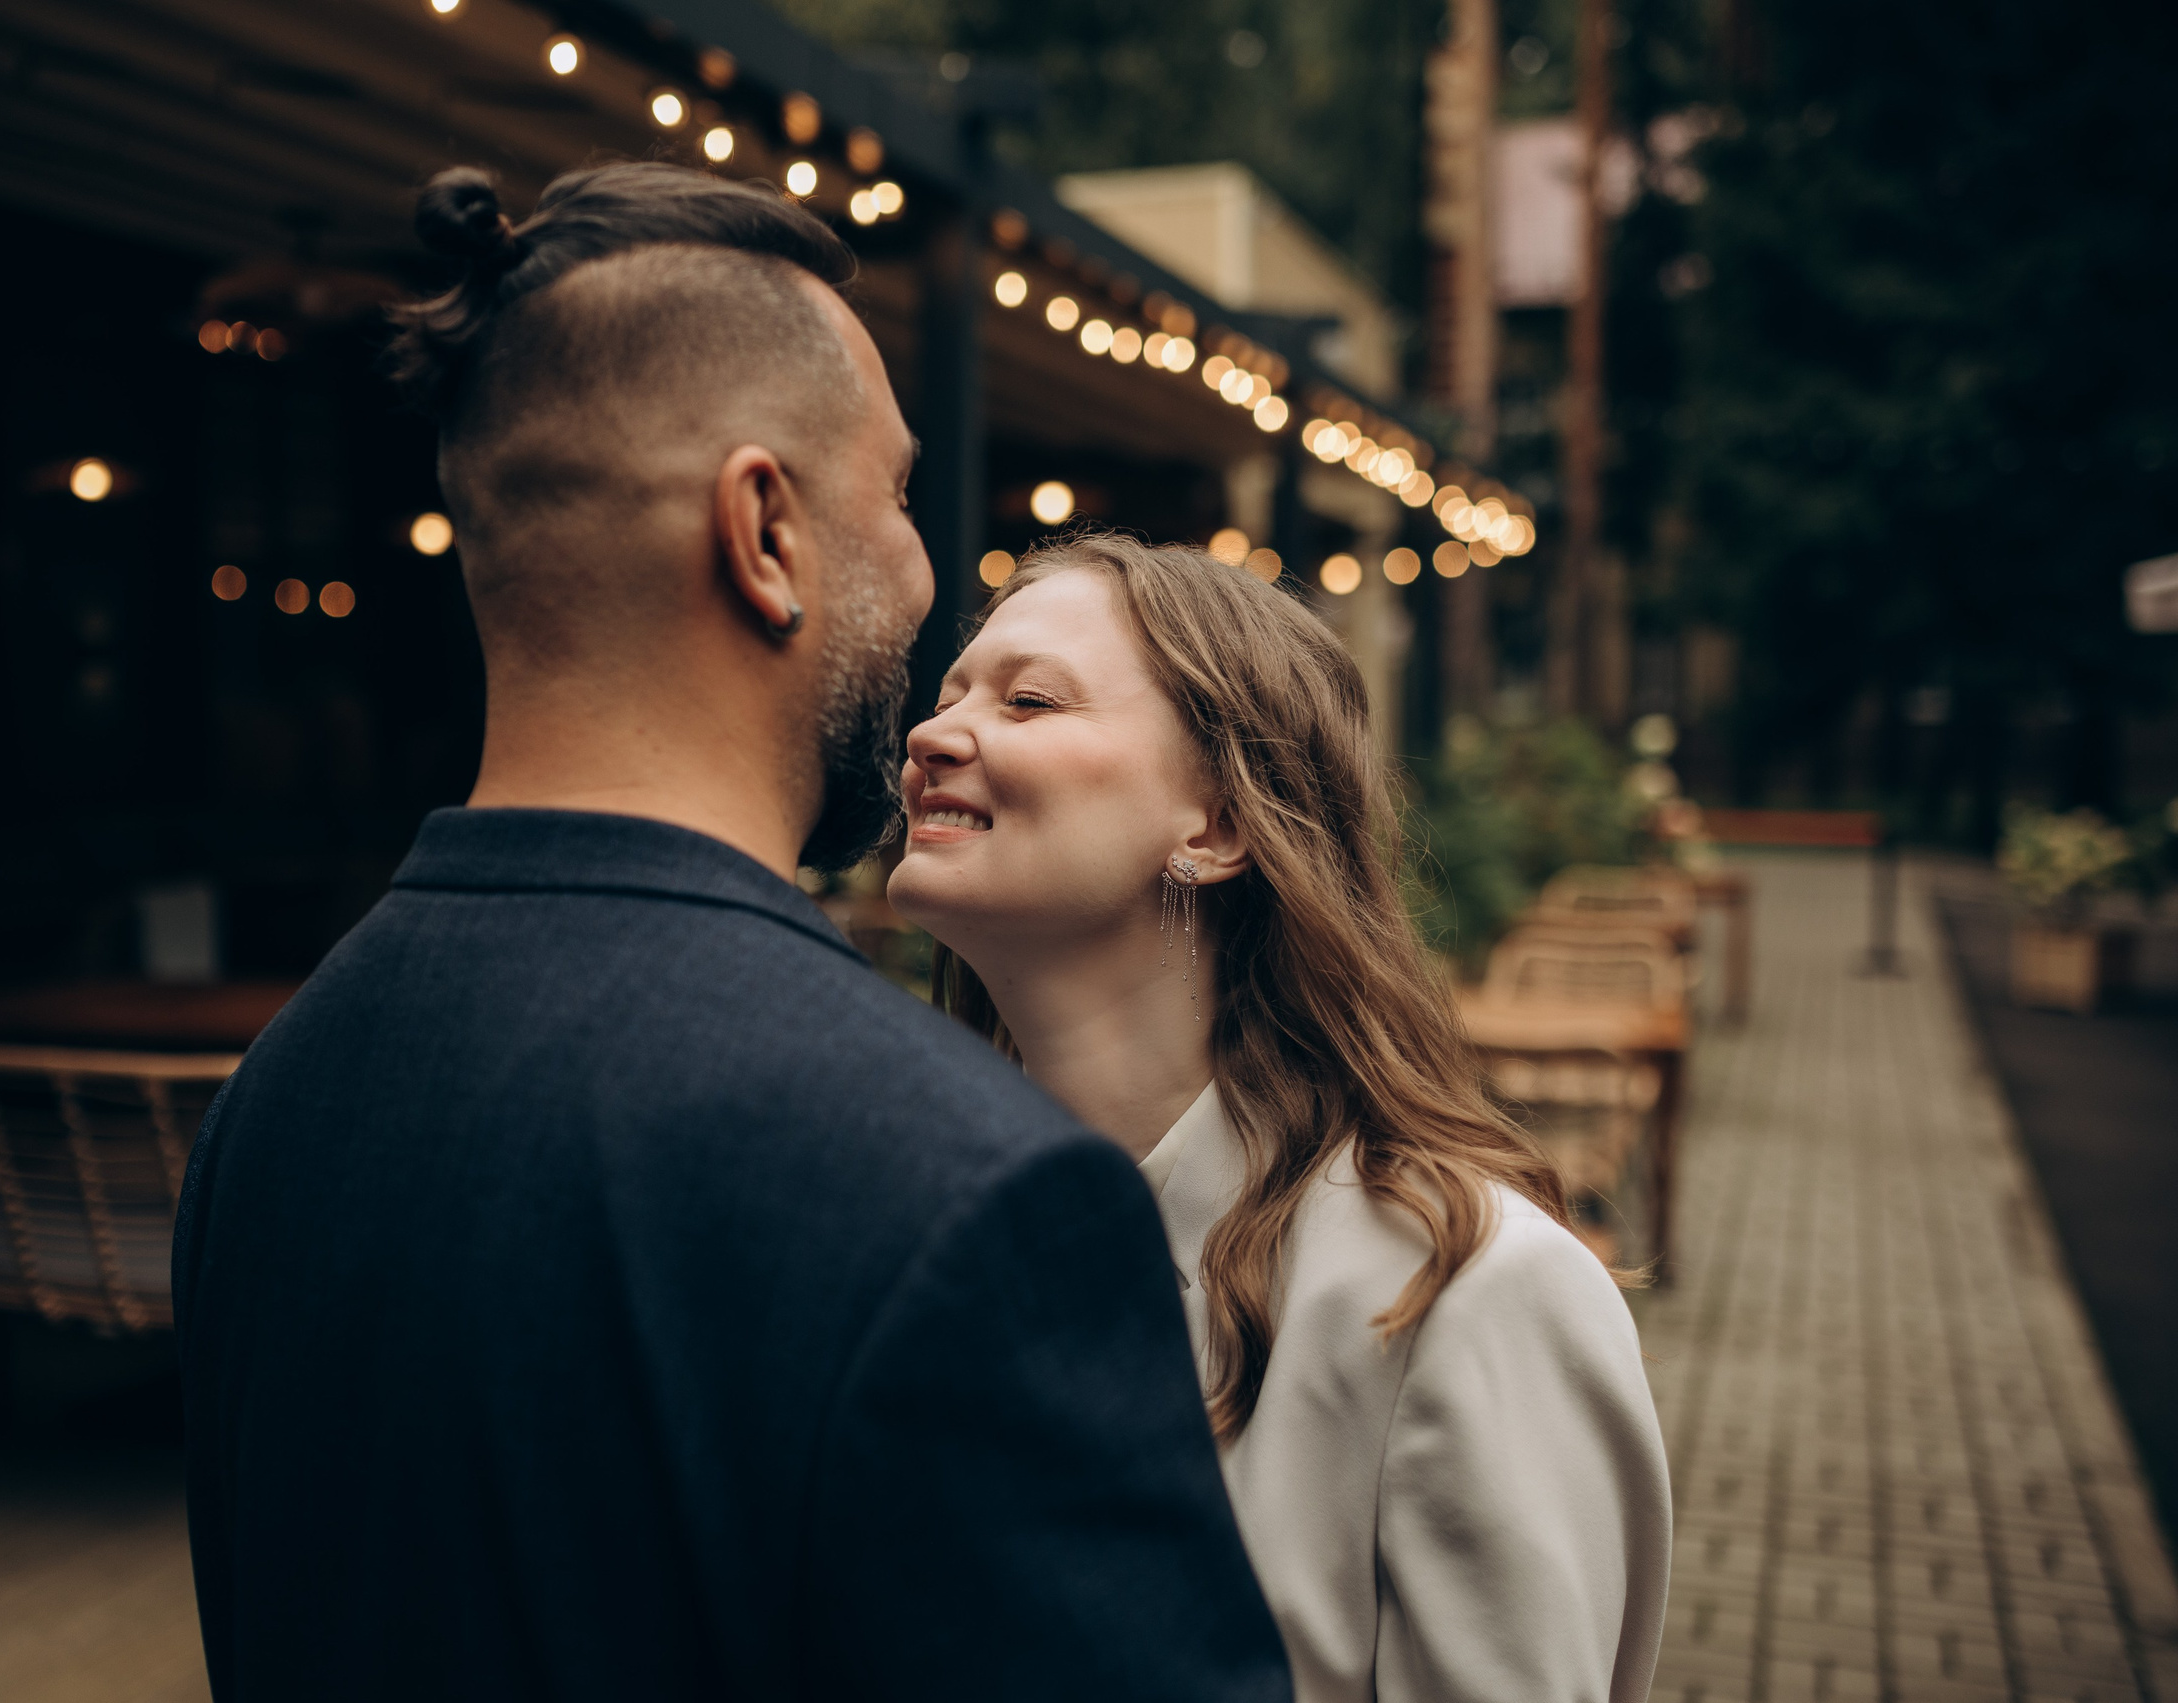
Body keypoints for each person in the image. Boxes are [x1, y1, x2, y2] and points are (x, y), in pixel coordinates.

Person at [171, 165, 1292, 1703]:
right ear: (763, 530)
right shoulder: (971, 1192)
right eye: (897, 498)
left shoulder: (274, 1104)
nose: (922, 577)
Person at [887, 535, 1673, 1703]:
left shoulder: (1465, 1290)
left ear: (1212, 826)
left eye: (1028, 699)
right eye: (949, 693)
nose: (931, 734)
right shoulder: (915, 1226)